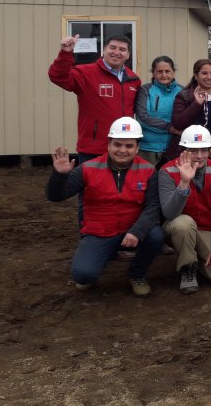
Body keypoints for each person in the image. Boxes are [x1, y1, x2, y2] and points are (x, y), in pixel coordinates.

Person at [46, 117, 164, 297]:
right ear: (108, 144)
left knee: (156, 236)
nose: (122, 150)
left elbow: (153, 206)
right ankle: (103, 256)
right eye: (117, 144)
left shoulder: (148, 170)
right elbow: (55, 196)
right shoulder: (88, 168)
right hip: (99, 231)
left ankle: (136, 274)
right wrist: (59, 176)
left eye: (129, 146)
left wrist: (137, 232)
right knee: (83, 275)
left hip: (131, 231)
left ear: (137, 148)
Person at [158, 125, 211, 293]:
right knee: (184, 223)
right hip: (179, 228)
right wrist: (184, 182)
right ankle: (188, 269)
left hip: (208, 229)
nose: (200, 155)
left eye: (204, 150)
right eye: (194, 150)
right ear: (184, 149)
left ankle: (197, 260)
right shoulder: (167, 171)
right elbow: (170, 213)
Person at [48, 34, 141, 162]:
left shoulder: (133, 80)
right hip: (93, 149)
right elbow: (58, 77)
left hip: (123, 148)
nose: (116, 52)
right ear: (104, 50)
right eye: (112, 48)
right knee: (91, 182)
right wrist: (65, 53)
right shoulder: (86, 73)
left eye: (122, 49)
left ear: (128, 55)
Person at [169, 59, 211, 165]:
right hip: (190, 154)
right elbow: (178, 123)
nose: (209, 77)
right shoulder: (184, 96)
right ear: (196, 75)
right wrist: (196, 104)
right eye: (204, 73)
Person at [135, 55, 182, 166]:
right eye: (159, 71)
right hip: (148, 149)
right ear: (153, 73)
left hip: (174, 148)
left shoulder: (183, 91)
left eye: (167, 71)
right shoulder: (145, 90)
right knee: (148, 181)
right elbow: (143, 117)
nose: (164, 75)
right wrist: (170, 128)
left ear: (173, 72)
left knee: (170, 181)